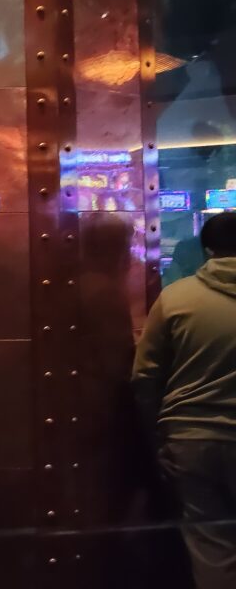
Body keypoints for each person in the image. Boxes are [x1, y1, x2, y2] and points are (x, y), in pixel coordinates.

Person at [133, 211, 236, 589]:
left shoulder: (176, 298)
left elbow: (145, 378)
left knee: (212, 547)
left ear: (206, 250)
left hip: (193, 441)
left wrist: (156, 441)